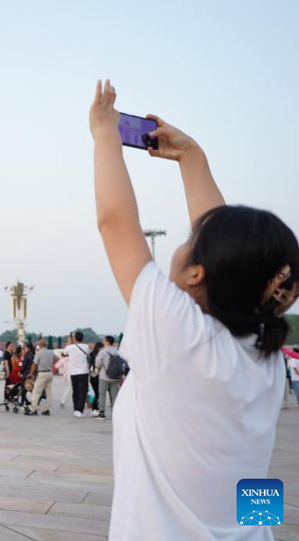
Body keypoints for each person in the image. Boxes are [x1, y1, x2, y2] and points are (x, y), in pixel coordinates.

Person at [90, 79, 299, 540]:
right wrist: (191, 158)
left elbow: (115, 223)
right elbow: (230, 255)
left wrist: (105, 133)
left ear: (198, 274)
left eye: (190, 240)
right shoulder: (264, 356)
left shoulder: (180, 335)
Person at [62, 332, 91, 417]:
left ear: (74, 338)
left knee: (75, 391)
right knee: (83, 392)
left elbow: (63, 354)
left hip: (73, 372)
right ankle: (79, 410)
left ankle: (75, 409)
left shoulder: (69, 347)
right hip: (84, 372)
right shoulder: (86, 347)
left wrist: (69, 341)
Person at [25, 339, 56, 416]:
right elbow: (57, 358)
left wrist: (31, 373)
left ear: (39, 345)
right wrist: (51, 364)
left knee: (36, 391)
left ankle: (33, 409)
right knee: (49, 392)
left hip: (42, 373)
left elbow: (34, 364)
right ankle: (47, 409)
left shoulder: (39, 353)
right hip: (49, 373)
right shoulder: (50, 352)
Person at [94, 336, 120, 420]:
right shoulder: (117, 351)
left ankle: (102, 413)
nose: (103, 341)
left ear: (107, 342)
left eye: (104, 340)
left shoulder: (103, 351)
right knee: (114, 396)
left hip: (104, 376)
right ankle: (115, 413)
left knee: (102, 395)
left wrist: (98, 368)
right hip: (115, 377)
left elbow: (97, 363)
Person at [88, 341, 104, 416]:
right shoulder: (100, 355)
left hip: (92, 376)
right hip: (98, 376)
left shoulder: (91, 354)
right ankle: (95, 409)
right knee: (98, 393)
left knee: (96, 393)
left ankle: (95, 409)